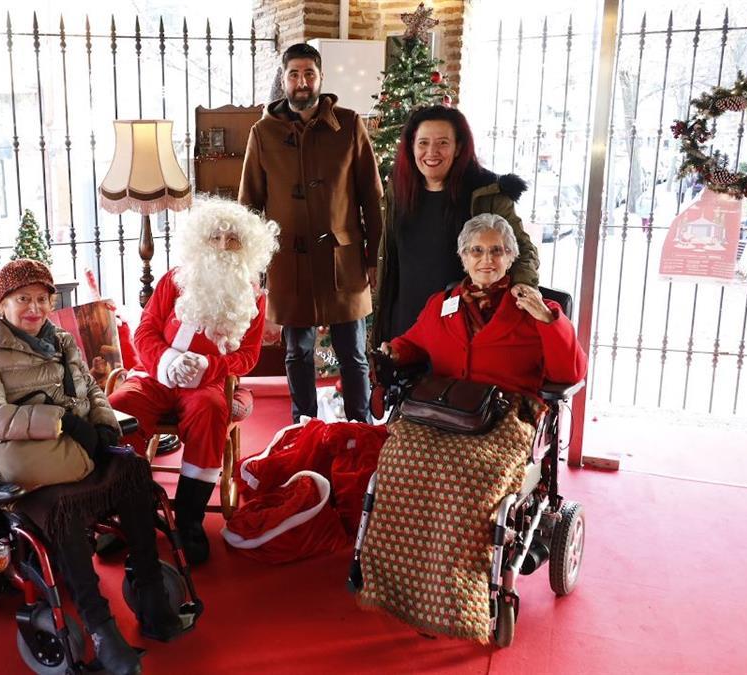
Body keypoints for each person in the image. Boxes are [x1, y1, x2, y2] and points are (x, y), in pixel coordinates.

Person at [356, 213, 587, 643]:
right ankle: (402, 586)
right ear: (463, 256)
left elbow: (570, 371)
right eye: (477, 251)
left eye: (496, 250)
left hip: (507, 411)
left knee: (469, 480)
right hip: (443, 406)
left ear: (511, 257)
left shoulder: (535, 307)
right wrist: (393, 350)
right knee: (398, 462)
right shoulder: (442, 303)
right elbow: (415, 342)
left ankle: (464, 595)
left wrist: (549, 322)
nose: (486, 259)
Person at [0, 259, 183, 675]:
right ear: (2, 303)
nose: (35, 308)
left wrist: (103, 425)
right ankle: (99, 626)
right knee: (63, 505)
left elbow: (92, 389)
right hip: (13, 448)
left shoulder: (60, 338)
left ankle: (150, 592)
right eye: (23, 299)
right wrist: (62, 423)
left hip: (71, 442)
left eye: (43, 299)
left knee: (133, 470)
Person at [110, 197, 279, 565]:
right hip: (157, 375)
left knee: (210, 408)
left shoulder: (253, 296)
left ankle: (189, 519)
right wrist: (167, 360)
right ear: (200, 241)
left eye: (232, 239)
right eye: (214, 237)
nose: (222, 246)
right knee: (119, 409)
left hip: (207, 383)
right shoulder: (175, 278)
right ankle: (127, 513)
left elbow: (248, 356)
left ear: (246, 245)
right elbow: (145, 332)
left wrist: (208, 365)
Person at [239, 42, 383, 425]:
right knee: (297, 353)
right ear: (283, 80)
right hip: (289, 262)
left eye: (309, 74)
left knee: (353, 354)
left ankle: (360, 427)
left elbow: (372, 197)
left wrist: (372, 259)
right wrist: (254, 267)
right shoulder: (263, 133)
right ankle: (303, 428)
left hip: (343, 260)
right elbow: (249, 205)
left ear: (320, 78)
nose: (302, 82)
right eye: (294, 74)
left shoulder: (350, 125)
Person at [373, 105, 540, 345]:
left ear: (458, 147)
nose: (432, 152)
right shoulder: (398, 190)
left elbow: (523, 251)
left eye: (442, 143)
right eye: (423, 143)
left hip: (463, 330)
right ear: (411, 146)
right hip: (404, 328)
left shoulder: (486, 194)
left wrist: (522, 287)